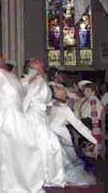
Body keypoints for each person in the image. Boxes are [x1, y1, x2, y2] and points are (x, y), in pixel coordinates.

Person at [0, 55, 46, 192]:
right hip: (2, 118)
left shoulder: (11, 77)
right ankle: (2, 183)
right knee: (3, 151)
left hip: (15, 117)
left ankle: (17, 182)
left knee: (20, 151)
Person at [21, 58, 65, 187]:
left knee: (50, 144)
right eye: (36, 68)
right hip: (33, 118)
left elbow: (46, 100)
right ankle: (43, 176)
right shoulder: (36, 82)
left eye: (40, 68)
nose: (40, 70)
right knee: (44, 145)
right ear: (30, 69)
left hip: (40, 117)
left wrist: (52, 104)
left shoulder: (39, 81)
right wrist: (21, 117)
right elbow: (26, 101)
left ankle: (48, 175)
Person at [48, 82, 98, 186]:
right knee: (66, 158)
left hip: (49, 134)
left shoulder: (51, 104)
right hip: (60, 134)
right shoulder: (64, 109)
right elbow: (79, 126)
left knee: (58, 158)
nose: (65, 90)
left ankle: (54, 176)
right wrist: (94, 140)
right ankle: (59, 177)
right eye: (61, 89)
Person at [74, 82, 104, 158]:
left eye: (88, 91)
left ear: (93, 92)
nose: (85, 92)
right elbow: (80, 113)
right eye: (84, 91)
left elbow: (86, 115)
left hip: (93, 123)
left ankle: (85, 146)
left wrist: (78, 118)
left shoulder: (93, 99)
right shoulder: (88, 100)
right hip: (90, 121)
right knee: (75, 123)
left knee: (75, 124)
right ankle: (85, 146)